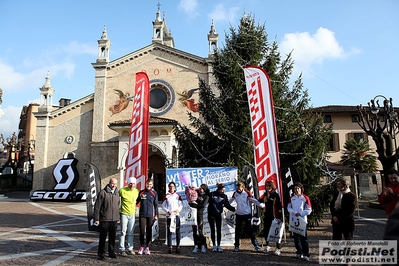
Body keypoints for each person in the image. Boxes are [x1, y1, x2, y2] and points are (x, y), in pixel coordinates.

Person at [229, 181, 264, 252]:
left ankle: (256, 245)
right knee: (237, 230)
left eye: (239, 188)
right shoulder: (235, 193)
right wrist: (223, 204)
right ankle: (236, 246)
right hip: (239, 214)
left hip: (247, 214)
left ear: (243, 187)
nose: (238, 189)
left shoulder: (247, 193)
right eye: (237, 188)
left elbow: (253, 200)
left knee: (250, 230)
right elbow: (230, 201)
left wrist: (261, 205)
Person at [93, 178, 120, 260]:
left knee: (112, 238)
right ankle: (101, 253)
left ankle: (111, 252)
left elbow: (118, 206)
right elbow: (97, 206)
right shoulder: (103, 193)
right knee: (103, 238)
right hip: (105, 219)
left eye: (115, 184)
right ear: (109, 183)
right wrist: (96, 219)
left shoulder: (117, 193)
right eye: (112, 183)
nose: (114, 185)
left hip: (114, 219)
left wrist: (118, 217)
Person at [287, 182, 312, 261]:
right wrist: (294, 212)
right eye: (295, 189)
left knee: (304, 238)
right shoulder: (292, 198)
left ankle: (306, 254)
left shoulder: (305, 198)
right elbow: (288, 207)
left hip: (302, 220)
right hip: (294, 220)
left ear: (301, 189)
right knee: (296, 238)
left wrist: (301, 213)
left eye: (298, 188)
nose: (296, 190)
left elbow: (309, 209)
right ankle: (299, 252)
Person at [207, 183, 236, 252]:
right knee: (212, 230)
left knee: (219, 230)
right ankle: (214, 245)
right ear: (219, 189)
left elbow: (227, 205)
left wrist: (235, 209)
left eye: (224, 190)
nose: (223, 191)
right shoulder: (212, 194)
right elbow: (207, 201)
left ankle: (219, 245)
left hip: (218, 214)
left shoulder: (224, 196)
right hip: (211, 214)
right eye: (222, 190)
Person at [260, 180, 283, 255]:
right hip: (267, 216)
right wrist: (252, 200)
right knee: (266, 231)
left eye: (269, 186)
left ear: (272, 187)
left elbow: (279, 206)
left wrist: (280, 217)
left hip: (275, 216)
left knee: (276, 232)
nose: (268, 188)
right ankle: (267, 245)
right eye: (266, 186)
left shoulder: (275, 195)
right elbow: (260, 201)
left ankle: (278, 248)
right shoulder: (265, 195)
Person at [118, 177, 139, 256]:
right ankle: (122, 249)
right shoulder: (122, 190)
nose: (132, 185)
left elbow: (139, 199)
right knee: (123, 232)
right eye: (130, 183)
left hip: (132, 214)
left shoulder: (137, 191)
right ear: (128, 183)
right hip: (124, 213)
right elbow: (115, 196)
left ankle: (130, 248)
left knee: (131, 232)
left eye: (133, 183)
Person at [136, 179, 158, 255]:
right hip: (142, 214)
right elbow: (136, 201)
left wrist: (156, 214)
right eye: (148, 184)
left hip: (150, 215)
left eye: (150, 184)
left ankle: (147, 247)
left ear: (152, 185)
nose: (149, 186)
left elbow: (155, 205)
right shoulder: (141, 192)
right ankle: (141, 246)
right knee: (142, 231)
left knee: (149, 231)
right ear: (145, 184)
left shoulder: (154, 193)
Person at [162, 181, 183, 254]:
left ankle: (178, 246)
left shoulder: (178, 195)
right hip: (169, 216)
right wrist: (167, 211)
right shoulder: (166, 195)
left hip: (176, 215)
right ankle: (170, 246)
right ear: (168, 187)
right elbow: (163, 206)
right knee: (169, 231)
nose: (171, 188)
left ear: (174, 187)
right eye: (170, 186)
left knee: (178, 231)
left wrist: (178, 210)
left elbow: (181, 205)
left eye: (173, 186)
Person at [191, 183, 209, 254]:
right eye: (199, 187)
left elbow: (203, 205)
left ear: (204, 189)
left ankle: (203, 245)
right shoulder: (196, 193)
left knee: (200, 230)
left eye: (201, 188)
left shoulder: (206, 196)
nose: (199, 189)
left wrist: (195, 205)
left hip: (200, 214)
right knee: (194, 231)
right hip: (193, 214)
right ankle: (195, 245)